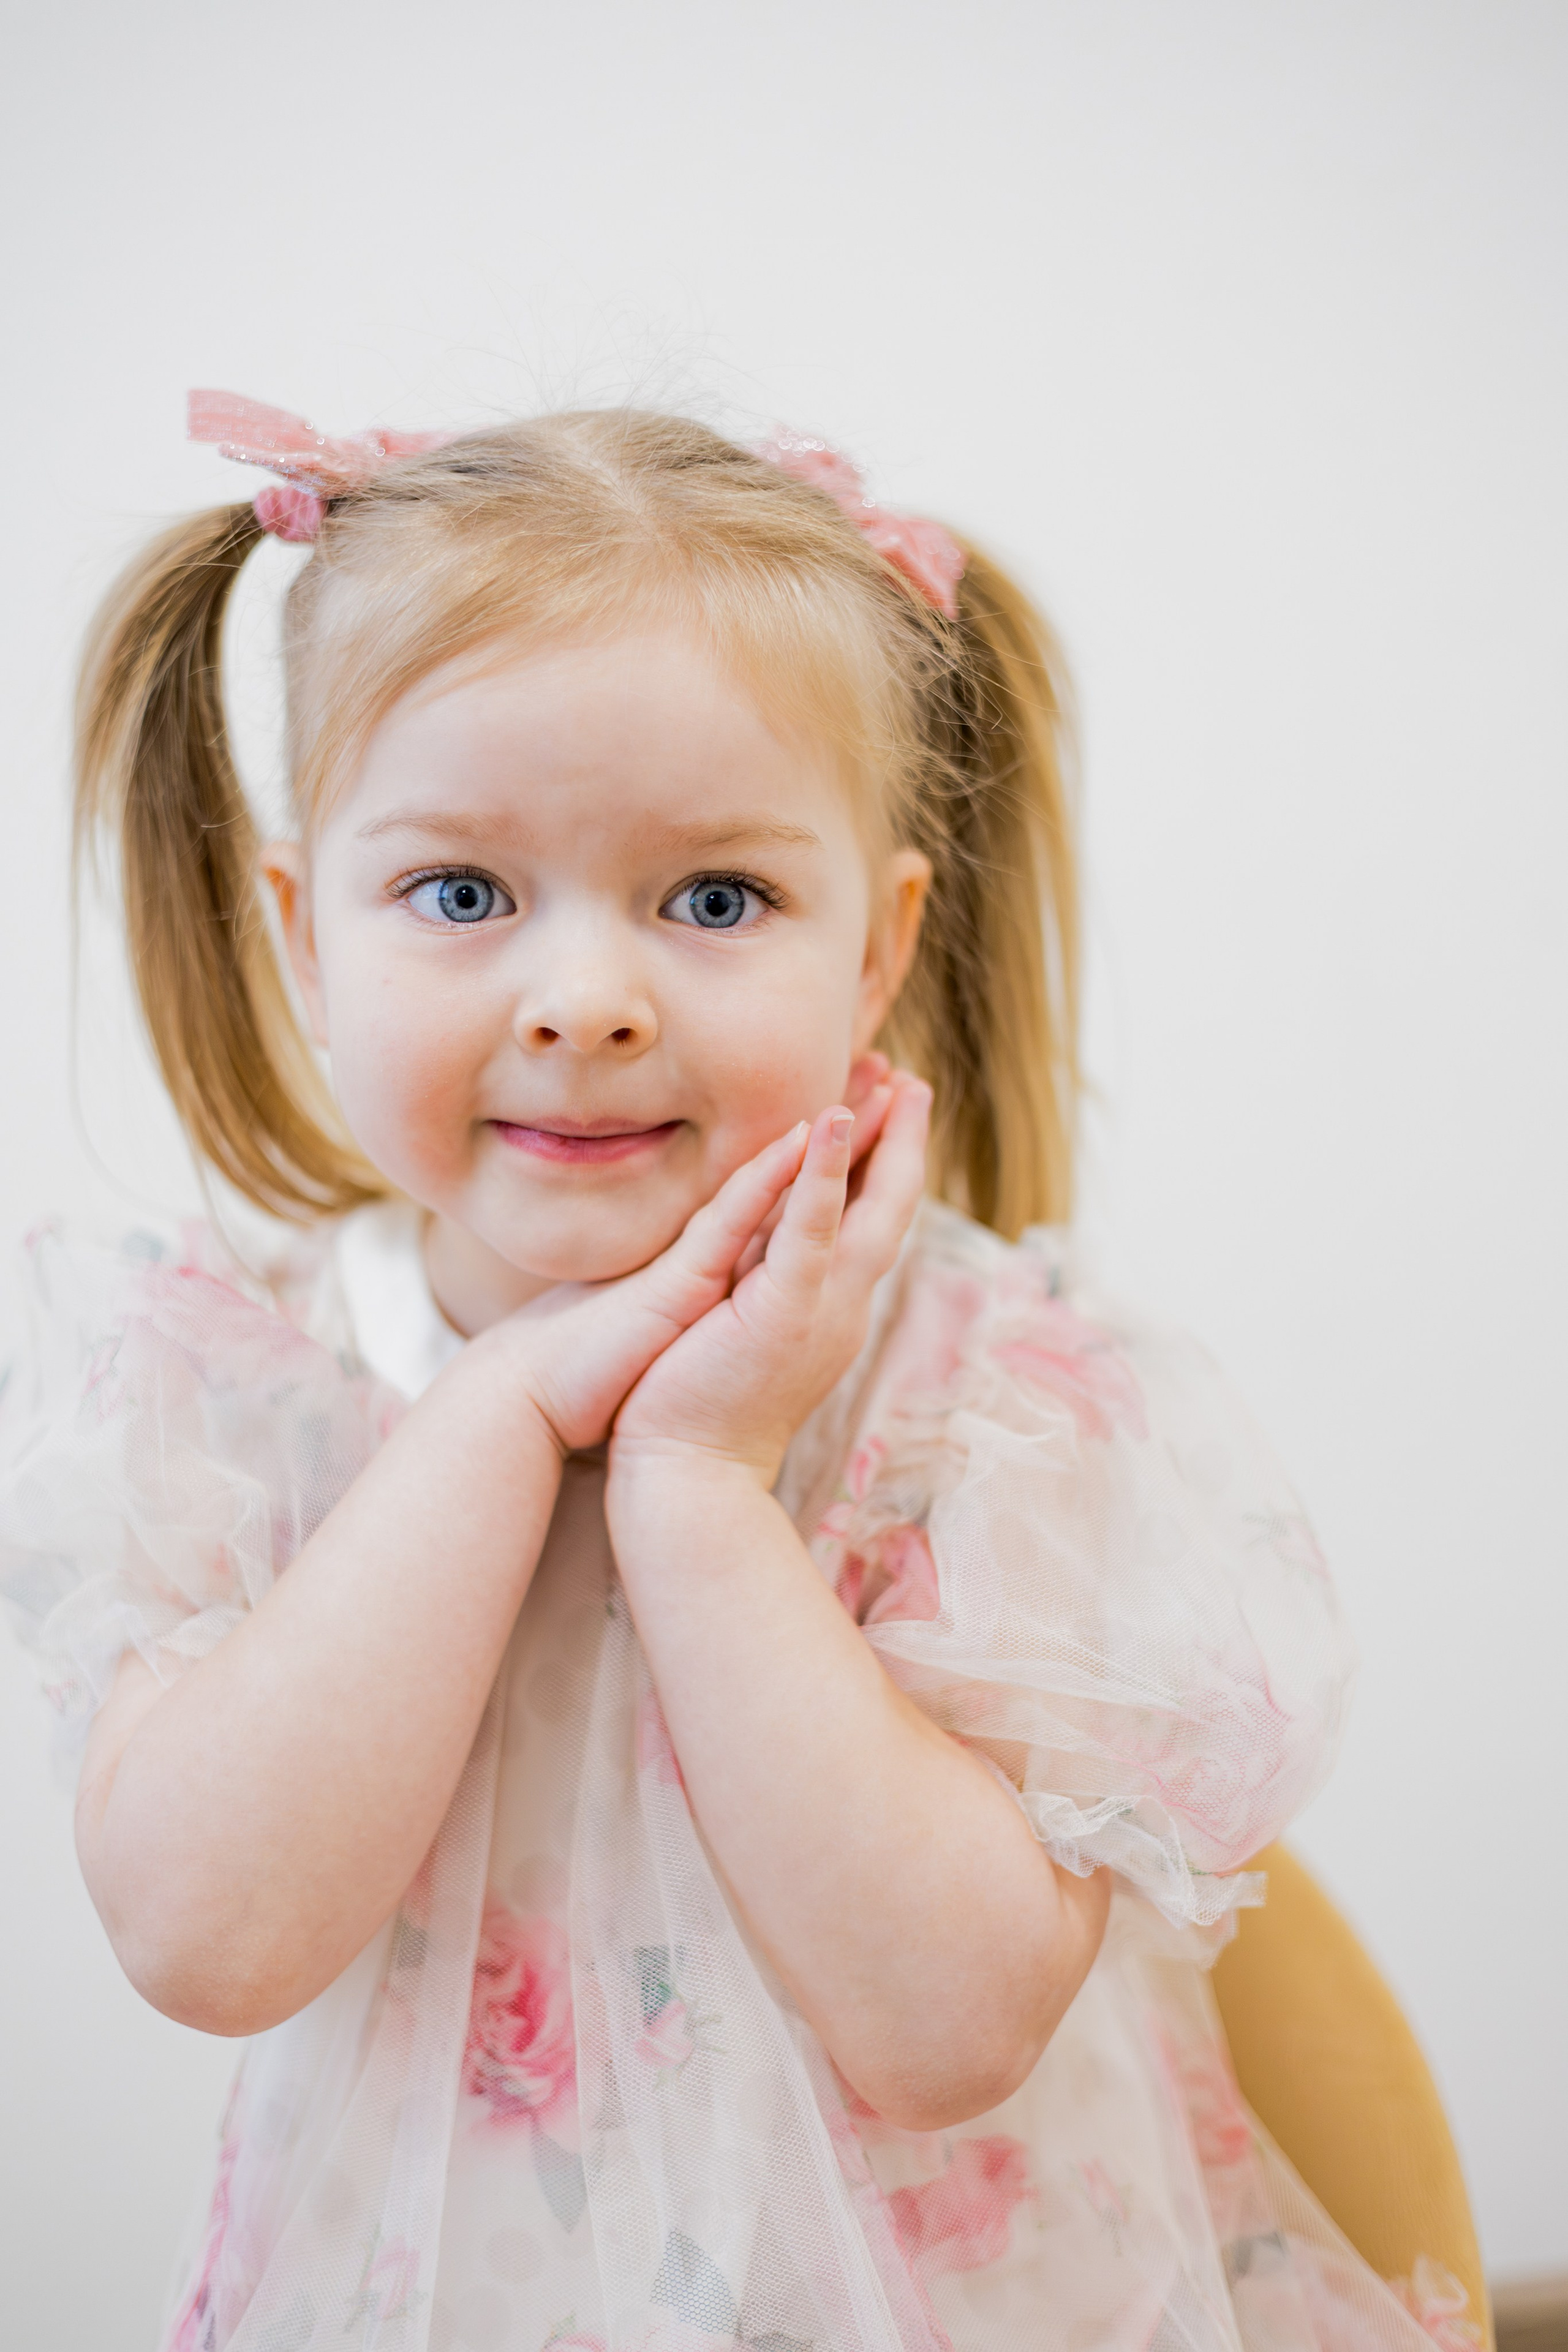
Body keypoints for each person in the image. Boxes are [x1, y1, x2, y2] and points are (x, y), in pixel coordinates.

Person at [0, 394, 1435, 2352]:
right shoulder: (239, 1390)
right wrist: (505, 1411)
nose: (588, 1001)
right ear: (304, 935)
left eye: (715, 900)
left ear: (877, 951)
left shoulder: (996, 1407)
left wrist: (696, 1479)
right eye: (461, 894)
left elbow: (949, 2032)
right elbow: (207, 1938)